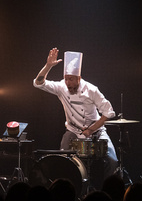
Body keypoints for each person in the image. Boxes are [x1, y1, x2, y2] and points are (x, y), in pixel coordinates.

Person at [33, 48, 119, 187]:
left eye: (71, 79)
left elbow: (108, 112)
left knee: (112, 160)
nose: (68, 82)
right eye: (66, 79)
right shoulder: (61, 87)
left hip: (96, 131)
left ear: (79, 78)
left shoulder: (91, 90)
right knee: (62, 161)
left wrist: (91, 130)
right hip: (73, 131)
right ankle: (66, 190)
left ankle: (109, 190)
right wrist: (48, 66)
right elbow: (38, 83)